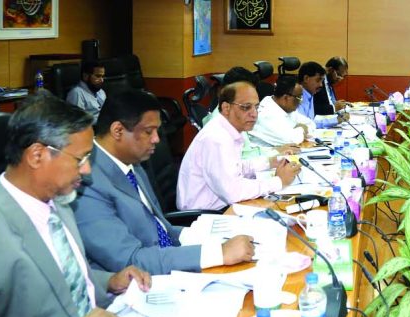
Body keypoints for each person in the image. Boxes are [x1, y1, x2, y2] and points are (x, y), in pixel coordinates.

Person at [0, 94, 151, 317]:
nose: (87, 170)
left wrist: (109, 282)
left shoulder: (59, 201)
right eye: (81, 159)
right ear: (37, 155)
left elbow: (58, 279)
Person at [73, 90, 255, 275]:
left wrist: (214, 239)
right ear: (118, 130)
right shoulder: (86, 182)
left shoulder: (131, 163)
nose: (156, 139)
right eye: (148, 131)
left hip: (164, 262)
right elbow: (129, 261)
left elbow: (161, 228)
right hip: (136, 286)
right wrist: (218, 253)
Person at [177, 82, 302, 211]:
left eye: (256, 107)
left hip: (220, 205)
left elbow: (235, 167)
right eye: (246, 107)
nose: (254, 114)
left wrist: (270, 162)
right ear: (226, 108)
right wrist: (279, 181)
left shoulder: (227, 129)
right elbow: (233, 192)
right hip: (205, 215)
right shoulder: (217, 138)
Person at [250, 75, 315, 146]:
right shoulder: (265, 114)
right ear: (285, 98)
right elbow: (291, 140)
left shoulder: (287, 109)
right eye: (299, 97)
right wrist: (302, 128)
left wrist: (297, 132)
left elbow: (311, 124)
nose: (301, 101)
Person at [297, 61, 347, 129]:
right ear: (306, 78)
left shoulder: (310, 94)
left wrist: (336, 120)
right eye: (318, 80)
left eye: (322, 81)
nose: (321, 85)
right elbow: (303, 126)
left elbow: (311, 122)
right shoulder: (296, 96)